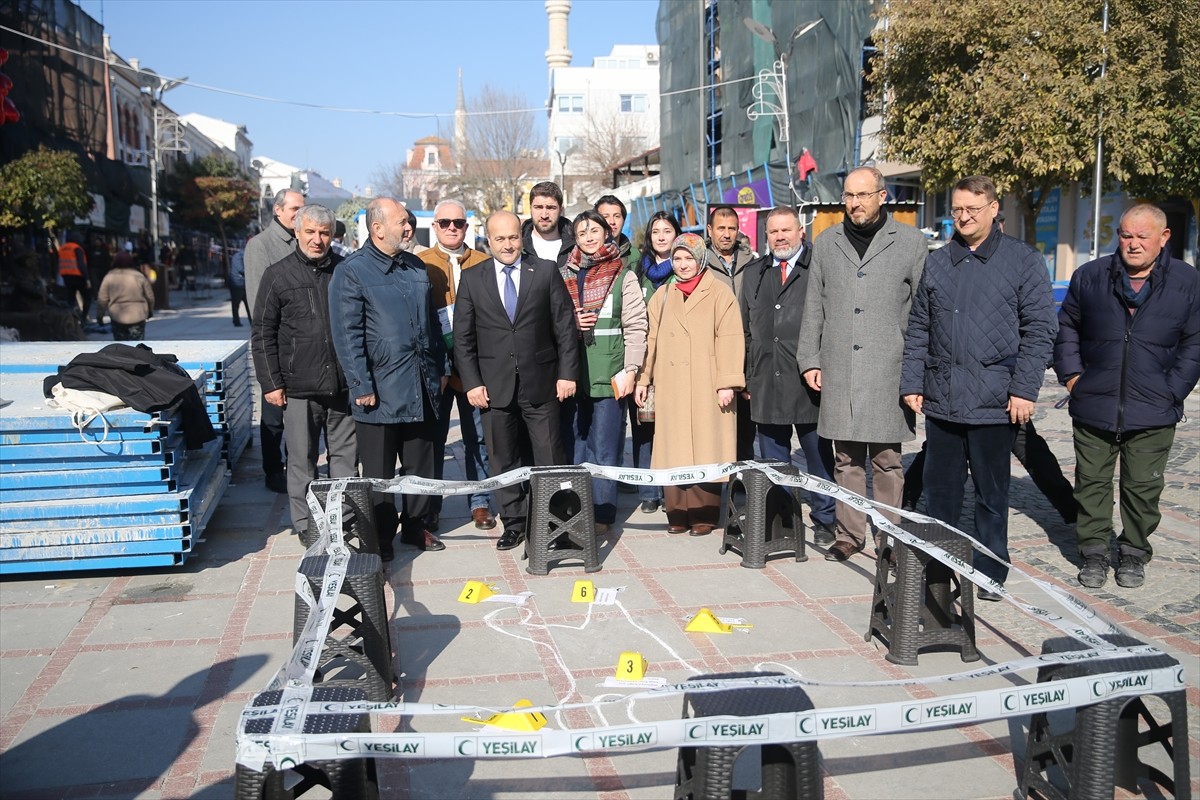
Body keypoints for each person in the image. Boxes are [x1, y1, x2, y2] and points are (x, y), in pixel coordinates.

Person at [900, 175, 1056, 600]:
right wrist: (913, 381)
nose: (964, 217)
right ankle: (939, 564)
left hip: (995, 400)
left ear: (994, 208)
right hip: (943, 397)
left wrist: (1024, 390)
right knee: (941, 491)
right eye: (957, 209)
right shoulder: (938, 260)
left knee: (991, 494)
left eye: (972, 208)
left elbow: (1040, 330)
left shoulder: (1023, 260)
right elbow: (919, 327)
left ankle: (990, 570)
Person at [1055, 203, 1200, 590]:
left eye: (1142, 237)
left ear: (1163, 238)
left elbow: (1194, 343)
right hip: (1094, 402)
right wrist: (1072, 377)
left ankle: (1134, 553)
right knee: (1091, 485)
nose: (1132, 244)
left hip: (1155, 407)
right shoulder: (1090, 276)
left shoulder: (1188, 282)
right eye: (1126, 236)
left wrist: (1174, 391)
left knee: (1143, 487)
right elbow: (1067, 326)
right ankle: (1094, 553)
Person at [797, 167, 927, 561]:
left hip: (889, 368)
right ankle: (849, 535)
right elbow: (814, 306)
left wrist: (916, 372)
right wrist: (809, 358)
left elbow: (923, 312)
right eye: (849, 195)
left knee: (887, 460)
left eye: (863, 195)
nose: (854, 203)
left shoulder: (910, 242)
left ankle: (889, 536)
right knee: (846, 458)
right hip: (839, 366)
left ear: (882, 196)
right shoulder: (826, 241)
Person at [330, 198, 448, 560]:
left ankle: (417, 526)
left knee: (421, 466)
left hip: (421, 384)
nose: (409, 227)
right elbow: (346, 334)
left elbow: (432, 322)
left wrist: (440, 368)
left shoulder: (415, 267)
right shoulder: (352, 271)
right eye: (402, 222)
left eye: (409, 221)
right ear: (377, 228)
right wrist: (361, 385)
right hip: (379, 391)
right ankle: (379, 538)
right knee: (378, 474)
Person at [455, 210, 579, 551]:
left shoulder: (544, 271)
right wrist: (472, 383)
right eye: (500, 238)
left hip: (542, 383)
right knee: (502, 458)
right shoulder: (473, 277)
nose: (508, 244)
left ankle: (558, 524)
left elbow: (564, 328)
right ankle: (514, 523)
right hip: (493, 388)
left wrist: (567, 373)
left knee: (550, 456)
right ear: (488, 240)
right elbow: (463, 338)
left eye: (512, 237)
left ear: (520, 237)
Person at [251, 204, 356, 541]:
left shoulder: (345, 271)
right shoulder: (277, 275)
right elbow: (263, 332)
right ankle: (307, 524)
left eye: (324, 233)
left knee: (345, 460)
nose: (317, 239)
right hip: (298, 387)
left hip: (341, 386)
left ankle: (344, 519)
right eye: (310, 232)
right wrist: (271, 383)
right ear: (296, 232)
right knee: (301, 461)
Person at [635, 233, 745, 536]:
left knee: (706, 446)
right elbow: (651, 340)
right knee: (674, 449)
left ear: (701, 260)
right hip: (671, 385)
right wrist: (643, 378)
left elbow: (731, 339)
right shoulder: (663, 295)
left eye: (689, 258)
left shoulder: (720, 293)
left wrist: (728, 382)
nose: (683, 265)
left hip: (707, 383)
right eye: (678, 258)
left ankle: (704, 515)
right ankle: (677, 513)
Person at [741, 207, 837, 545]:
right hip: (766, 379)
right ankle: (782, 519)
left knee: (819, 456)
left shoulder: (819, 268)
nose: (780, 237)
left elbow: (831, 322)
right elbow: (745, 330)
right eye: (773, 232)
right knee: (773, 461)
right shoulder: (755, 273)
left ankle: (826, 519)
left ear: (801, 233)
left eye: (786, 230)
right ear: (765, 236)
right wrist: (748, 375)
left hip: (809, 382)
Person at [558, 209, 648, 532]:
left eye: (594, 231)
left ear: (606, 234)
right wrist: (572, 321)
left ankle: (603, 514)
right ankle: (577, 509)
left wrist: (632, 369)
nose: (589, 238)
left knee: (606, 447)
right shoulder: (565, 273)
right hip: (574, 375)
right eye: (582, 234)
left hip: (610, 376)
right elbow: (553, 320)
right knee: (578, 447)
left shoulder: (624, 275)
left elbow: (637, 326)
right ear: (576, 240)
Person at [419, 199, 497, 532]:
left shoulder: (484, 262)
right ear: (434, 226)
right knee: (432, 440)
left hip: (474, 367)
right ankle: (431, 506)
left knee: (477, 437)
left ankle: (479, 502)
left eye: (459, 223)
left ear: (468, 227)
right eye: (445, 222)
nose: (452, 227)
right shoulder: (419, 263)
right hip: (435, 367)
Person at [245, 188, 305, 495]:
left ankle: (298, 465)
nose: (299, 213)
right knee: (272, 413)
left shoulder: (302, 240)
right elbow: (258, 302)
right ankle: (272, 468)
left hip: (303, 345)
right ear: (278, 211)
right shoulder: (261, 246)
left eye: (302, 208)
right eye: (294, 208)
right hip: (276, 343)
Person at [628, 211, 682, 513]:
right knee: (645, 426)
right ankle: (648, 490)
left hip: (677, 360)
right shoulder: (641, 269)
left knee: (673, 427)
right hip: (647, 358)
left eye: (667, 230)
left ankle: (673, 489)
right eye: (656, 232)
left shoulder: (686, 266)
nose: (661, 236)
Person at [705, 205, 758, 460]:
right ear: (709, 230)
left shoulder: (754, 263)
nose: (726, 234)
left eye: (732, 229)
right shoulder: (699, 262)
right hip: (711, 355)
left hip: (746, 354)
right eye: (721, 228)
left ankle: (743, 487)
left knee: (746, 430)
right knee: (713, 426)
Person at [96, 251, 153, 341]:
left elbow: (102, 299)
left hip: (117, 315)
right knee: (137, 346)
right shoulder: (139, 276)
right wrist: (150, 311)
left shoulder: (109, 277)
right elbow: (150, 296)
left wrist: (100, 316)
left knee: (121, 346)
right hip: (138, 314)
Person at [521, 181, 574, 267]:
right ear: (530, 208)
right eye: (538, 207)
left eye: (551, 208)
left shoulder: (577, 247)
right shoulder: (517, 246)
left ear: (561, 210)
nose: (544, 215)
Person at [57, 231, 91, 319]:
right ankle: (84, 318)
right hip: (78, 276)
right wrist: (87, 278)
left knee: (70, 299)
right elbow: (81, 264)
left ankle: (70, 317)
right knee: (87, 297)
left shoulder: (62, 248)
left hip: (66, 276)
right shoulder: (77, 248)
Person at [228, 247, 250, 327]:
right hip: (237, 284)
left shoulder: (239, 255)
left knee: (247, 304)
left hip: (240, 283)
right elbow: (241, 270)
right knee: (236, 304)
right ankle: (236, 321)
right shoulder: (239, 256)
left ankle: (251, 321)